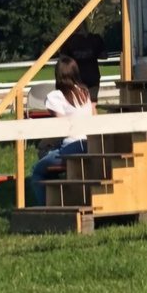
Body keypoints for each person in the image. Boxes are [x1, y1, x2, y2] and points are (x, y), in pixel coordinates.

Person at [28, 56, 95, 205]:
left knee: (37, 171)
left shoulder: (56, 97)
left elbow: (61, 127)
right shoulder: (85, 93)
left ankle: (45, 206)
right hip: (90, 145)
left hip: (71, 147)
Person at [60, 31, 106, 103]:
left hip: (78, 76)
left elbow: (63, 58)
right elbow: (104, 55)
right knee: (92, 103)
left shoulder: (69, 40)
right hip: (92, 75)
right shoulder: (95, 39)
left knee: (81, 103)